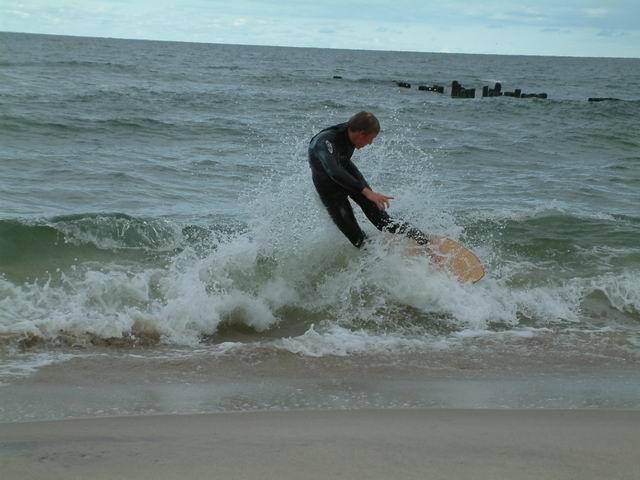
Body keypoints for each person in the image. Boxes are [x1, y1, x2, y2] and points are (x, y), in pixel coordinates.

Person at [308, 111, 430, 249]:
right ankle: (377, 260)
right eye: (371, 138)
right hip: (331, 194)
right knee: (359, 240)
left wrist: (364, 189)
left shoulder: (350, 136)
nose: (371, 143)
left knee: (383, 222)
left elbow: (344, 167)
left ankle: (424, 240)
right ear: (360, 133)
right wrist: (366, 191)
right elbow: (334, 172)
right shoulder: (324, 141)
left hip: (351, 180)